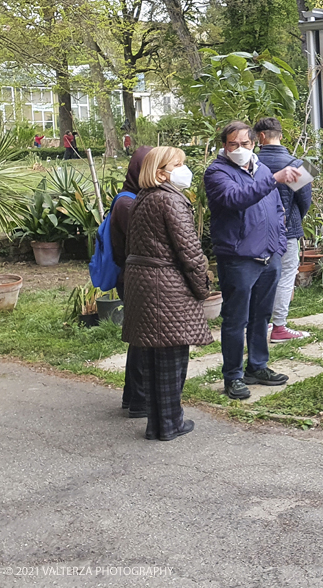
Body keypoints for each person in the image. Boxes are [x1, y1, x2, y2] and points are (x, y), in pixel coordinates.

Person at [204, 121, 302, 401]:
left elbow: (277, 208)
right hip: (238, 257)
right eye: (232, 144)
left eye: (245, 144)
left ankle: (257, 366)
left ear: (254, 144)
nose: (239, 149)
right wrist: (273, 179)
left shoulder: (261, 169)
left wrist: (280, 242)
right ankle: (233, 375)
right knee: (236, 319)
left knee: (261, 317)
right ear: (224, 145)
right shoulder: (217, 172)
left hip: (269, 254)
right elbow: (235, 198)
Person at [121, 146, 210, 441]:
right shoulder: (170, 200)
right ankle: (171, 423)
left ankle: (156, 424)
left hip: (143, 284)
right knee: (172, 358)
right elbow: (190, 251)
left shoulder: (141, 199)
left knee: (152, 356)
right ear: (161, 172)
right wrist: (202, 288)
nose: (184, 168)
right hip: (167, 286)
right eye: (178, 164)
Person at [255, 117, 312, 341]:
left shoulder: (252, 163)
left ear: (260, 137)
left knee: (259, 275)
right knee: (286, 273)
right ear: (280, 135)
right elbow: (306, 200)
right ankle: (279, 325)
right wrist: (295, 218)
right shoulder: (299, 164)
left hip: (255, 232)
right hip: (288, 230)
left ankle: (261, 323)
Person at [111, 145, 152, 418]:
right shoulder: (128, 203)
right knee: (143, 339)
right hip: (134, 279)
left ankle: (132, 397)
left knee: (141, 339)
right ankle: (139, 399)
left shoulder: (136, 198)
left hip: (136, 277)